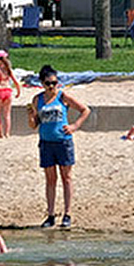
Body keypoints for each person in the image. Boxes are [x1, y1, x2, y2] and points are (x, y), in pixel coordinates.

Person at [30, 64, 90, 229]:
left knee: (67, 177)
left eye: (54, 83)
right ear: (42, 83)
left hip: (63, 141)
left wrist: (74, 126)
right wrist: (31, 116)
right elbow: (34, 124)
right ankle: (50, 214)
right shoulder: (38, 100)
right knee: (50, 179)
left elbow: (85, 110)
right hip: (46, 142)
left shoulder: (63, 96)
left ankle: (67, 213)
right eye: (48, 83)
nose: (52, 87)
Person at [0, 50, 21, 139]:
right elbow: (16, 82)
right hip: (8, 91)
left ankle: (0, 133)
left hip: (0, 91)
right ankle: (7, 133)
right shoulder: (8, 69)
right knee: (7, 115)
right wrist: (18, 91)